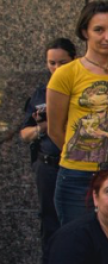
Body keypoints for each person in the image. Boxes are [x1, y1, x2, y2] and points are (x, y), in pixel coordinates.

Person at [47, 2, 108, 226]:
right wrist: (83, 154)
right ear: (84, 32)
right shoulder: (65, 74)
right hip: (77, 177)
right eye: (99, 29)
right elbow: (55, 129)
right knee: (79, 248)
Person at [21, 38, 76, 249]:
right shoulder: (40, 94)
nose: (56, 68)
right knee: (49, 221)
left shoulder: (82, 90)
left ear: (74, 60)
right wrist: (44, 126)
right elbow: (24, 133)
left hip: (77, 164)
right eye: (52, 63)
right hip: (48, 166)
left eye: (62, 63)